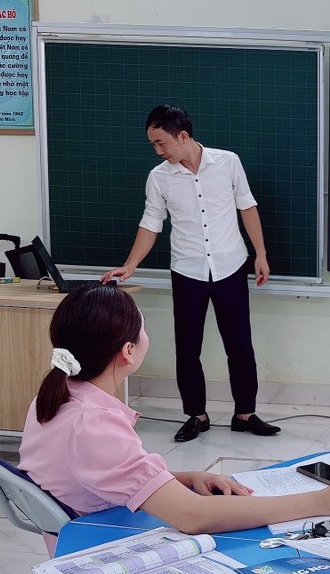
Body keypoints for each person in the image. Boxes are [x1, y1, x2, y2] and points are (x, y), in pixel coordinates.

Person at [19, 285, 330, 535]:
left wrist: (182, 479)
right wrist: (322, 501)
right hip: (104, 551)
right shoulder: (94, 423)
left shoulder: (58, 394)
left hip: (91, 532)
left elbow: (103, 473)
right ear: (128, 351)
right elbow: (193, 516)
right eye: (143, 329)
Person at [102, 104, 279, 443]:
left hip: (230, 266)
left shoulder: (228, 162)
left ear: (182, 136)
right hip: (187, 270)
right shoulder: (159, 177)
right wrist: (131, 264)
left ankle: (245, 414)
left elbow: (247, 206)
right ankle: (197, 415)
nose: (158, 150)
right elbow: (151, 223)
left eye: (161, 142)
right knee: (187, 348)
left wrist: (261, 254)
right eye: (153, 144)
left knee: (240, 345)